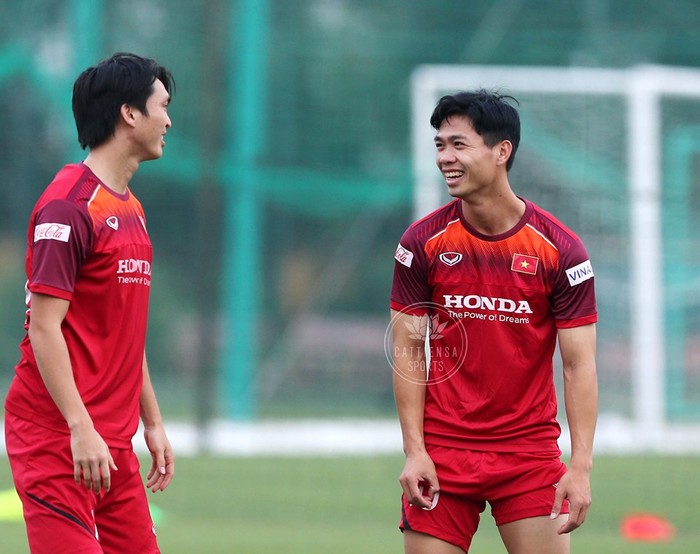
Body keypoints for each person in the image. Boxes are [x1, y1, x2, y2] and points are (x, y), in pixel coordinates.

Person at [390, 90, 598, 553]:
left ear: (501, 151)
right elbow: (408, 351)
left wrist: (580, 467)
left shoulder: (561, 251)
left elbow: (578, 365)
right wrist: (415, 450)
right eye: (440, 145)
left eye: (458, 145)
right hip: (443, 453)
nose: (445, 157)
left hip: (528, 454)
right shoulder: (421, 244)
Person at [4, 52, 175, 554]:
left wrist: (152, 422)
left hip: (112, 444)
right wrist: (80, 427)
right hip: (57, 440)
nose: (168, 121)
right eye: (162, 106)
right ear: (129, 114)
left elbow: (124, 333)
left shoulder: (131, 209)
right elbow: (44, 329)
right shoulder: (69, 207)